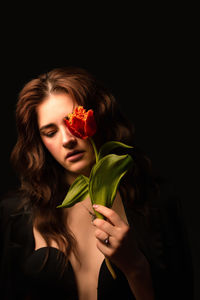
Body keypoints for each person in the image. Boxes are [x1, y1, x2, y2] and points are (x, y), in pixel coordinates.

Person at [0, 67, 193, 300]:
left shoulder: (156, 201)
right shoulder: (15, 214)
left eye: (73, 122)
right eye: (50, 132)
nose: (67, 140)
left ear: (98, 116)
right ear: (39, 141)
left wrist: (135, 267)